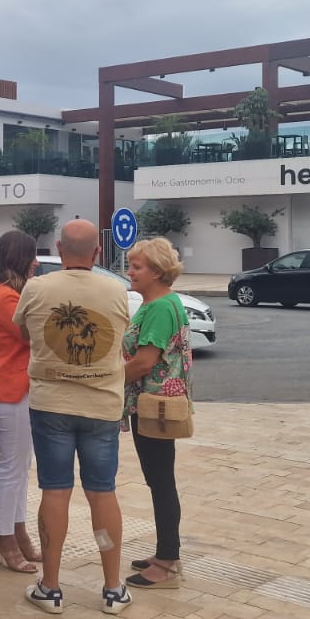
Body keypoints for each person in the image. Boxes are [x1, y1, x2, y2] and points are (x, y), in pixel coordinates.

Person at [14, 219, 132, 615]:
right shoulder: (117, 289)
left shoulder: (37, 288)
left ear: (59, 250)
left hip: (51, 405)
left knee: (55, 491)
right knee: (103, 492)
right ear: (97, 254)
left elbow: (24, 334)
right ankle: (113, 588)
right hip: (102, 407)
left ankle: (50, 587)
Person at [121, 236, 190, 589]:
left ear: (158, 272)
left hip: (154, 408)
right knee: (159, 479)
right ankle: (166, 551)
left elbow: (145, 362)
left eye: (137, 267)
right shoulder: (158, 303)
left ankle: (166, 561)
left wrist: (104, 379)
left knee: (161, 481)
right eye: (130, 265)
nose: (129, 271)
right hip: (151, 406)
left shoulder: (161, 307)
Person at [0, 230, 43, 573]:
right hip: (10, 390)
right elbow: (34, 334)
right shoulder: (6, 297)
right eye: (32, 256)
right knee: (12, 469)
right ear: (19, 259)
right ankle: (4, 539)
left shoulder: (3, 293)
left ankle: (16, 532)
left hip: (13, 390)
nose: (36, 262)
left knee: (19, 468)